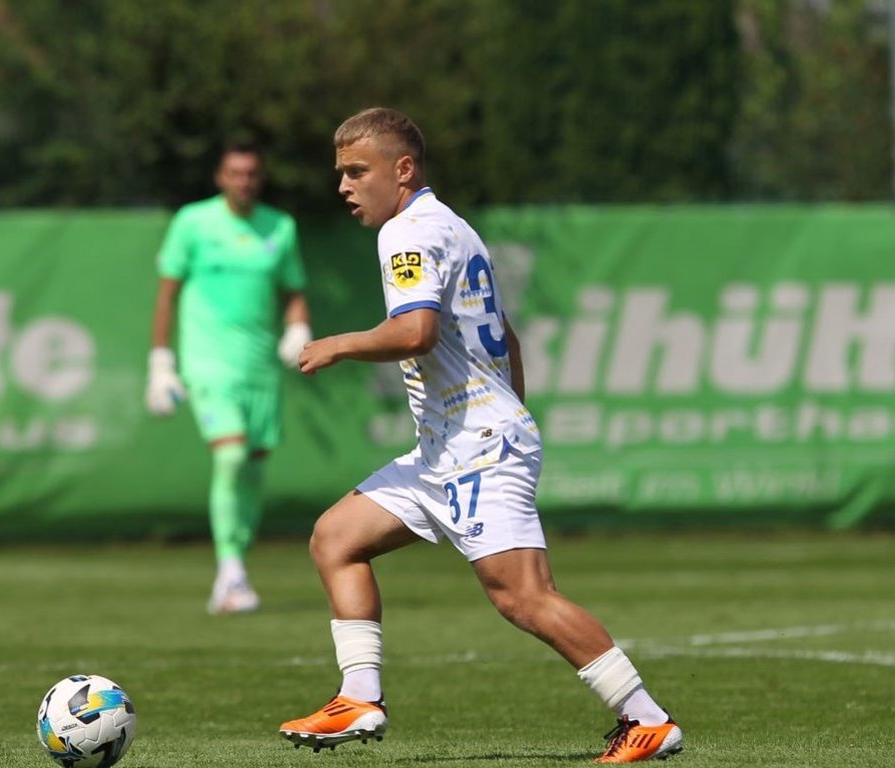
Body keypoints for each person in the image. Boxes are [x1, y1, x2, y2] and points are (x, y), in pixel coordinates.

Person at [277, 108, 682, 764]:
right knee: (336, 538)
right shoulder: (453, 226)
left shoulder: (407, 232)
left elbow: (416, 333)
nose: (344, 186)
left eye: (357, 171)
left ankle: (647, 719)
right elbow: (506, 337)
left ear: (402, 169)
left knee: (522, 597)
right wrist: (505, 414)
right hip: (450, 448)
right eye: (341, 173)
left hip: (477, 447)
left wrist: (339, 344)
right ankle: (359, 697)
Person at [146, 142, 311, 614]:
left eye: (251, 173)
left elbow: (294, 290)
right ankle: (230, 570)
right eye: (235, 173)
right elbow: (167, 293)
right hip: (208, 363)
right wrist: (161, 361)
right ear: (220, 177)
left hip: (260, 369)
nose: (244, 181)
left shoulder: (280, 227)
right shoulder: (193, 223)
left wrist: (298, 327)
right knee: (231, 455)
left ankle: (235, 563)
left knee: (254, 470)